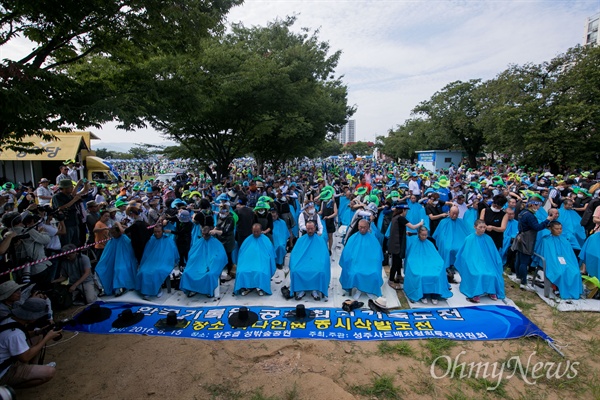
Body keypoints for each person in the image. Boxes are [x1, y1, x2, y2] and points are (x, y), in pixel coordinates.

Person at [0, 298, 61, 388]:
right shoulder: (15, 334)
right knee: (49, 372)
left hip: (7, 359)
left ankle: (33, 368)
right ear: (32, 317)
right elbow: (25, 357)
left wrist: (39, 332)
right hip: (4, 371)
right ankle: (9, 387)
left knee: (38, 337)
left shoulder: (9, 320)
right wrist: (47, 338)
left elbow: (23, 335)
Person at [454, 219, 505, 303]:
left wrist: (496, 263)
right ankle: (475, 293)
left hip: (488, 264)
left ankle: (491, 291)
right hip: (473, 264)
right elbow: (464, 256)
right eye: (480, 227)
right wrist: (471, 264)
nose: (482, 229)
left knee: (492, 274)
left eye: (484, 227)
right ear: (475, 227)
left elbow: (494, 254)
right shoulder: (469, 239)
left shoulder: (489, 239)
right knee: (478, 274)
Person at [512, 196, 557, 291]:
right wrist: (547, 220)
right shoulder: (530, 215)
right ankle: (523, 282)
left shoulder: (522, 212)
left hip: (521, 236)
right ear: (532, 204)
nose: (539, 208)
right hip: (527, 239)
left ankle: (518, 277)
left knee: (519, 258)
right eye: (538, 205)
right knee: (524, 261)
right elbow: (537, 227)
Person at [404, 226, 453, 304]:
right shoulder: (414, 244)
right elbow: (411, 259)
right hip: (418, 265)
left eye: (426, 235)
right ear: (418, 234)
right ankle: (423, 295)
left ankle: (435, 295)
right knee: (420, 275)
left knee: (436, 275)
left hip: (430, 265)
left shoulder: (430, 244)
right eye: (422, 235)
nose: (424, 237)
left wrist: (439, 264)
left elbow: (436, 258)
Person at [339, 219, 384, 300]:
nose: (362, 229)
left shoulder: (373, 239)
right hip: (356, 264)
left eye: (364, 227)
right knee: (355, 273)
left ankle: (369, 290)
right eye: (360, 227)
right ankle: (359, 290)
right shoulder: (352, 238)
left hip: (370, 264)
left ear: (368, 227)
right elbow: (346, 254)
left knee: (374, 273)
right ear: (358, 227)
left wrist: (374, 261)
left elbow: (378, 254)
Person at [537, 221, 583, 300]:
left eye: (560, 229)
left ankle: (572, 291)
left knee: (575, 272)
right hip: (552, 262)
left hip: (566, 261)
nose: (559, 231)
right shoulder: (546, 240)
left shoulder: (564, 240)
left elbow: (569, 255)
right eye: (556, 229)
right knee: (560, 272)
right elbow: (548, 255)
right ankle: (558, 289)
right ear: (551, 229)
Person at [180, 226, 228, 298]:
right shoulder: (198, 242)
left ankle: (208, 290)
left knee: (210, 274)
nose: (204, 236)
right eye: (203, 234)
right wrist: (194, 259)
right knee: (187, 273)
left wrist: (213, 260)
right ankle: (192, 289)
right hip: (198, 264)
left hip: (211, 265)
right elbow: (192, 254)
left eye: (206, 234)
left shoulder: (216, 243)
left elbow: (220, 256)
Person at [289, 221, 331, 301]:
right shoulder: (300, 240)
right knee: (295, 271)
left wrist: (321, 264)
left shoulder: (321, 240)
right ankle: (302, 290)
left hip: (316, 263)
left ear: (315, 228)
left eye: (312, 229)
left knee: (320, 271)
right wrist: (294, 264)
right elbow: (294, 255)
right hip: (302, 263)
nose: (310, 231)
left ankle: (314, 290)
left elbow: (324, 256)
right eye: (308, 229)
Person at [136, 225, 179, 299]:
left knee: (157, 271)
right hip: (150, 262)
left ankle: (158, 289)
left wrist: (173, 261)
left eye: (159, 232)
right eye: (155, 232)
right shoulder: (151, 240)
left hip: (164, 262)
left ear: (162, 231)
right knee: (144, 271)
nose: (157, 233)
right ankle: (146, 291)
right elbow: (146, 254)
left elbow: (173, 253)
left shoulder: (168, 240)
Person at [233, 223, 276, 296]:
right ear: (251, 231)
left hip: (261, 263)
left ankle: (260, 287)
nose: (255, 233)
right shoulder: (247, 240)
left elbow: (271, 254)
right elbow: (241, 254)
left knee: (260, 272)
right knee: (241, 271)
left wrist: (265, 258)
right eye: (254, 231)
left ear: (261, 231)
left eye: (257, 231)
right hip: (247, 263)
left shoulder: (266, 240)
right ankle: (246, 287)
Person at [387, 203, 423, 290]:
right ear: (403, 210)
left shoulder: (395, 218)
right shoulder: (401, 218)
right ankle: (391, 280)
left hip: (395, 243)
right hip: (397, 245)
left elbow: (398, 229)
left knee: (399, 261)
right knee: (395, 263)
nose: (406, 212)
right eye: (406, 211)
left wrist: (406, 233)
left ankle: (399, 276)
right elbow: (413, 227)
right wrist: (421, 223)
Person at [95, 227, 139, 297]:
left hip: (124, 261)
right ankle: (103, 289)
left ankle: (119, 288)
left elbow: (130, 253)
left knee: (119, 269)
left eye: (114, 233)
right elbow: (106, 255)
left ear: (119, 232)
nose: (113, 235)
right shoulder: (111, 241)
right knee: (99, 268)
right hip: (111, 262)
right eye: (111, 233)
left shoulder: (124, 239)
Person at [432, 206, 470, 282]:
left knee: (461, 248)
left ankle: (459, 266)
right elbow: (439, 235)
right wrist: (443, 240)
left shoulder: (461, 222)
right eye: (453, 213)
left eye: (456, 214)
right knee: (447, 248)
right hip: (446, 241)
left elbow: (466, 234)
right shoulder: (443, 222)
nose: (454, 215)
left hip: (459, 241)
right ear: (449, 213)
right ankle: (448, 266)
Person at [211, 204, 236, 281]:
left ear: (228, 212)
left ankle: (230, 273)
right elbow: (217, 225)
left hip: (228, 240)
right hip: (219, 240)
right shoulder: (219, 216)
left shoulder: (231, 219)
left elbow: (226, 231)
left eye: (224, 212)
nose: (222, 214)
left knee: (228, 256)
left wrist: (216, 231)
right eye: (221, 212)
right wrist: (214, 229)